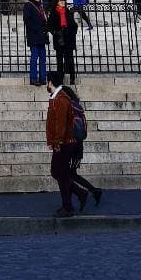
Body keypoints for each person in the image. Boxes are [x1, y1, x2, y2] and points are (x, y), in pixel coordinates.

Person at [45, 70, 90, 217]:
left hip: (65, 143)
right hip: (61, 142)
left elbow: (61, 124)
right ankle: (80, 194)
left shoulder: (61, 99)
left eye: (47, 81)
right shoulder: (56, 97)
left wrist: (56, 142)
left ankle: (68, 206)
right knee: (58, 173)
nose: (46, 83)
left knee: (60, 174)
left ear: (51, 82)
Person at [62, 84, 102, 211]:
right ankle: (92, 191)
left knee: (66, 174)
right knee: (70, 174)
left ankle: (81, 195)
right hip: (79, 144)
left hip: (71, 144)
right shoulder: (78, 107)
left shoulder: (68, 106)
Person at [47, 0, 78, 84]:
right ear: (57, 2)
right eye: (61, 1)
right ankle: (60, 78)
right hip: (59, 39)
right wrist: (55, 32)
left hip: (68, 39)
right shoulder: (53, 12)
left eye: (63, 0)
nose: (63, 2)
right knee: (59, 60)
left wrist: (71, 33)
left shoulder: (68, 12)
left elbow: (74, 25)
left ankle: (72, 78)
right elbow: (49, 26)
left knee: (70, 59)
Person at [23, 0, 48, 86]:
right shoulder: (28, 5)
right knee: (34, 57)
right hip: (34, 36)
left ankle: (43, 78)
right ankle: (33, 78)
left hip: (42, 37)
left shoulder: (40, 6)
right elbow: (27, 20)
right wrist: (37, 29)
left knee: (43, 58)